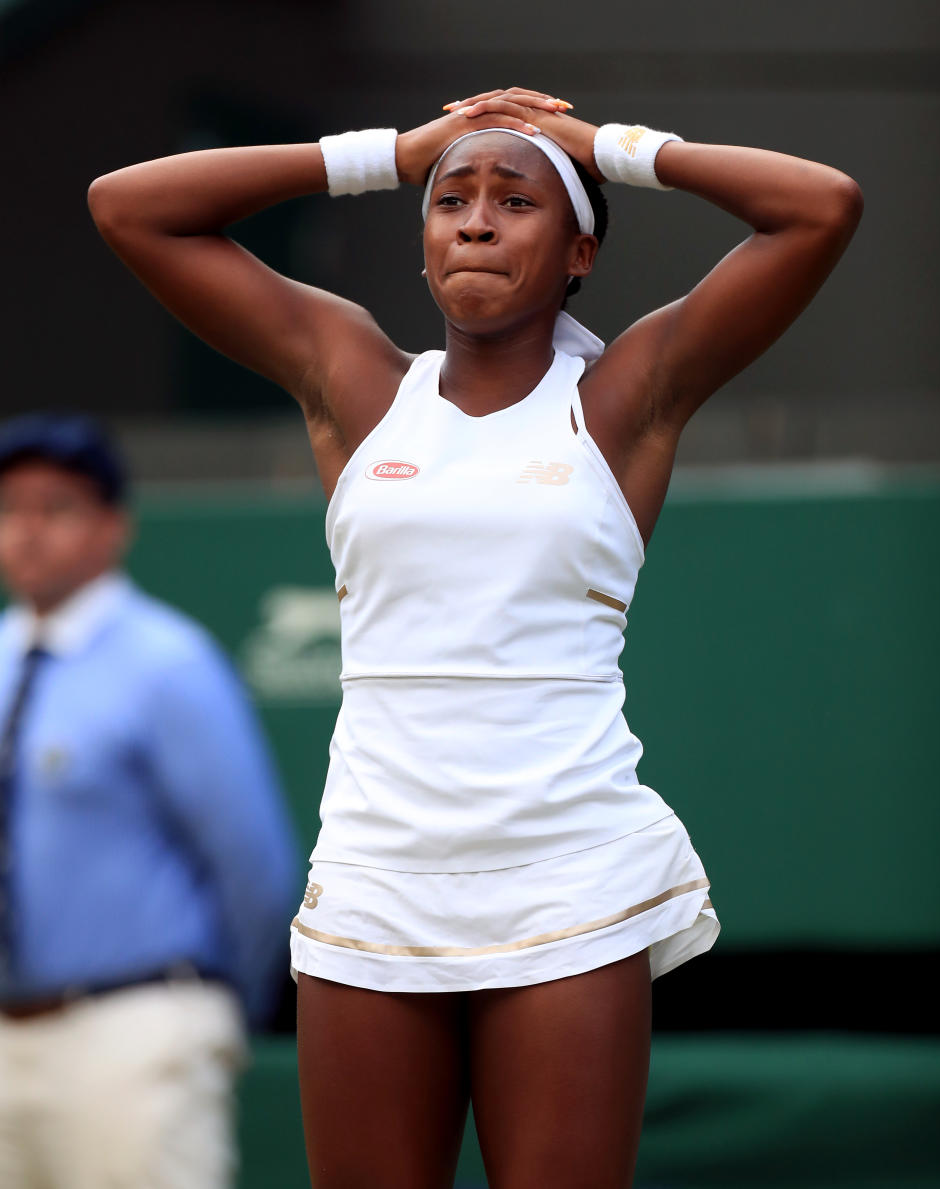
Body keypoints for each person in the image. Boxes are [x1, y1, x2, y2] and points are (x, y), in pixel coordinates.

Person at [87, 87, 862, 1189]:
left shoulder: (623, 396)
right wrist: (390, 153)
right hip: (375, 877)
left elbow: (821, 208)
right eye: (451, 200)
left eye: (517, 200)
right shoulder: (353, 378)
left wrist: (606, 147)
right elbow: (128, 209)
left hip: (569, 880)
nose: (477, 221)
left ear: (579, 248)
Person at [0, 414, 299, 1189]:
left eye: (55, 508)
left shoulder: (168, 661)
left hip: (135, 1026)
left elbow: (253, 865)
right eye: (9, 509)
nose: (27, 532)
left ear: (113, 528)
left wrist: (203, 1008)